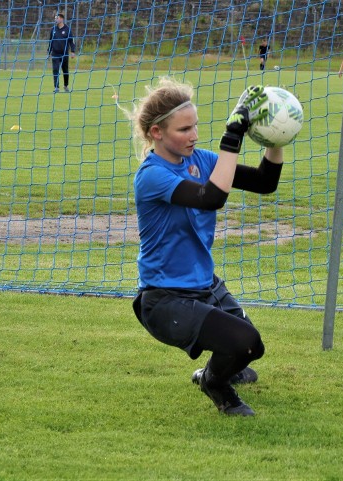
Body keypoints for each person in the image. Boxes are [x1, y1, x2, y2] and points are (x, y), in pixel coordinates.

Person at [129, 78, 286, 417]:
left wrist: (276, 137)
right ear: (156, 132)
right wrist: (232, 137)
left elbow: (264, 182)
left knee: (250, 347)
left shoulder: (199, 159)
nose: (194, 135)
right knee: (244, 343)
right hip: (165, 299)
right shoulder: (152, 176)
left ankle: (217, 367)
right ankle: (216, 384)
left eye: (195, 125)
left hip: (205, 286)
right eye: (184, 129)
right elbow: (210, 198)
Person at [48, 13, 75, 93]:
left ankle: (66, 85)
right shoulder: (53, 29)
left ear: (62, 19)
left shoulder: (67, 29)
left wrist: (73, 51)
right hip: (55, 53)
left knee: (65, 70)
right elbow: (50, 41)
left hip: (64, 54)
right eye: (55, 18)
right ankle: (56, 87)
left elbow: (71, 41)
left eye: (57, 18)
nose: (55, 19)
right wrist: (49, 52)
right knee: (55, 69)